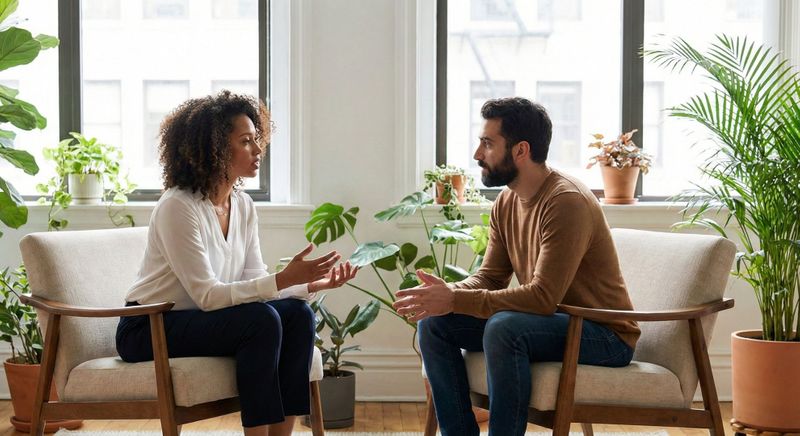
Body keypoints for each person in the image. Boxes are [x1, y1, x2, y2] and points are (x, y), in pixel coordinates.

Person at [393, 97, 641, 436]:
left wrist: (455, 299)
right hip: (557, 324)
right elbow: (491, 277)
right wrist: (444, 296)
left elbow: (542, 298)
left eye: (488, 143)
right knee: (435, 323)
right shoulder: (507, 201)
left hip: (603, 334)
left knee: (505, 327)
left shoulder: (566, 202)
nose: (478, 154)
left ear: (520, 150)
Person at [116, 91, 357, 436]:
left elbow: (254, 279)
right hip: (149, 326)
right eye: (246, 142)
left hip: (200, 320)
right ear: (213, 147)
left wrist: (309, 285)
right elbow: (208, 297)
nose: (258, 151)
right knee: (259, 321)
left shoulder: (242, 205)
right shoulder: (178, 207)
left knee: (298, 314)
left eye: (257, 140)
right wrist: (281, 279)